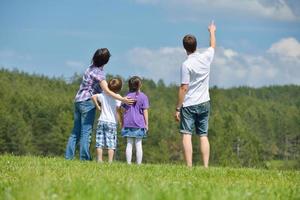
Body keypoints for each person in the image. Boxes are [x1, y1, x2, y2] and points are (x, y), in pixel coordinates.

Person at [65, 48, 134, 161]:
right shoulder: (99, 74)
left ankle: (68, 157)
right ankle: (84, 158)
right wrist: (123, 99)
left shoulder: (89, 68)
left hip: (78, 100)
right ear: (106, 61)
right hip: (87, 102)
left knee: (75, 131)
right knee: (86, 132)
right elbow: (107, 91)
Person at [175, 21, 216, 168]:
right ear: (196, 45)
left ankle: (189, 166)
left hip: (190, 103)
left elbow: (184, 88)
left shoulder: (186, 65)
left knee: (187, 134)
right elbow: (212, 46)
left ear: (184, 48)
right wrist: (212, 31)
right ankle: (205, 166)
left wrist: (178, 108)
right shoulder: (206, 57)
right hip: (205, 101)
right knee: (203, 135)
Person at [91, 78, 123, 163]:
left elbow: (93, 96)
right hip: (111, 122)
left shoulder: (103, 94)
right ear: (119, 89)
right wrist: (120, 121)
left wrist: (98, 106)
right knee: (111, 144)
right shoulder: (118, 98)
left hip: (101, 121)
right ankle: (110, 161)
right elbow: (118, 111)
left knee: (99, 142)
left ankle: (99, 160)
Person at [121, 76, 149, 165]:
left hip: (128, 123)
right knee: (138, 144)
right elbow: (145, 111)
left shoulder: (126, 97)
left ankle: (128, 163)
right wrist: (146, 124)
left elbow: (123, 110)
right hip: (139, 124)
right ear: (140, 85)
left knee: (129, 144)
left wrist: (122, 121)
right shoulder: (143, 97)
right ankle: (138, 164)